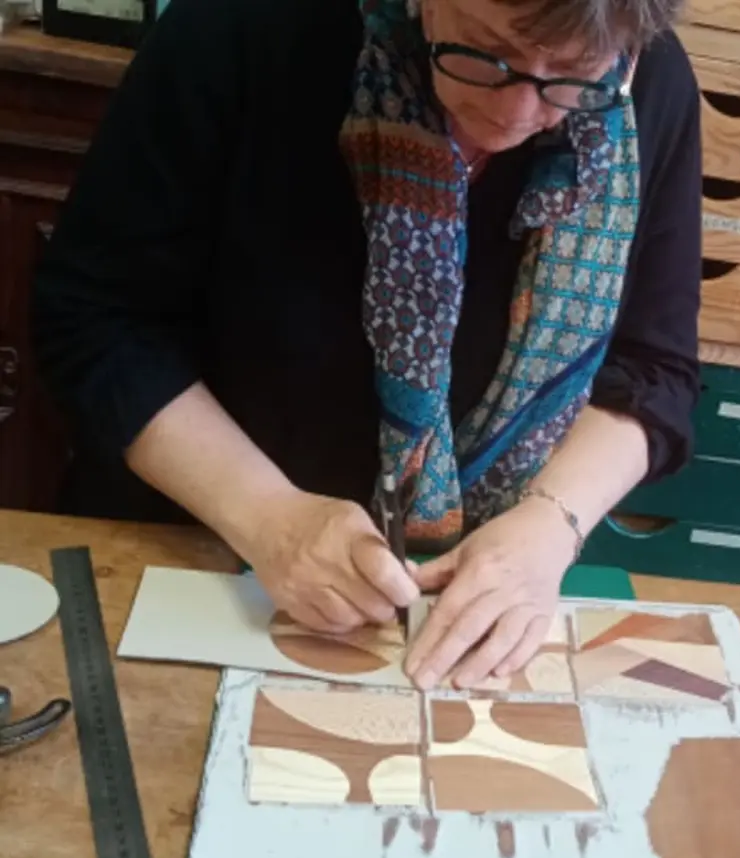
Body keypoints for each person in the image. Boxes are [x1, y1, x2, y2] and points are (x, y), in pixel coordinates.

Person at [30, 0, 701, 691]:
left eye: (570, 74)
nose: (516, 114)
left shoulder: (645, 82)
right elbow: (97, 318)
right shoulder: (241, 26)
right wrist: (266, 517)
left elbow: (655, 369)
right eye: (484, 50)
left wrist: (551, 524)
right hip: (195, 554)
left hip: (454, 598)